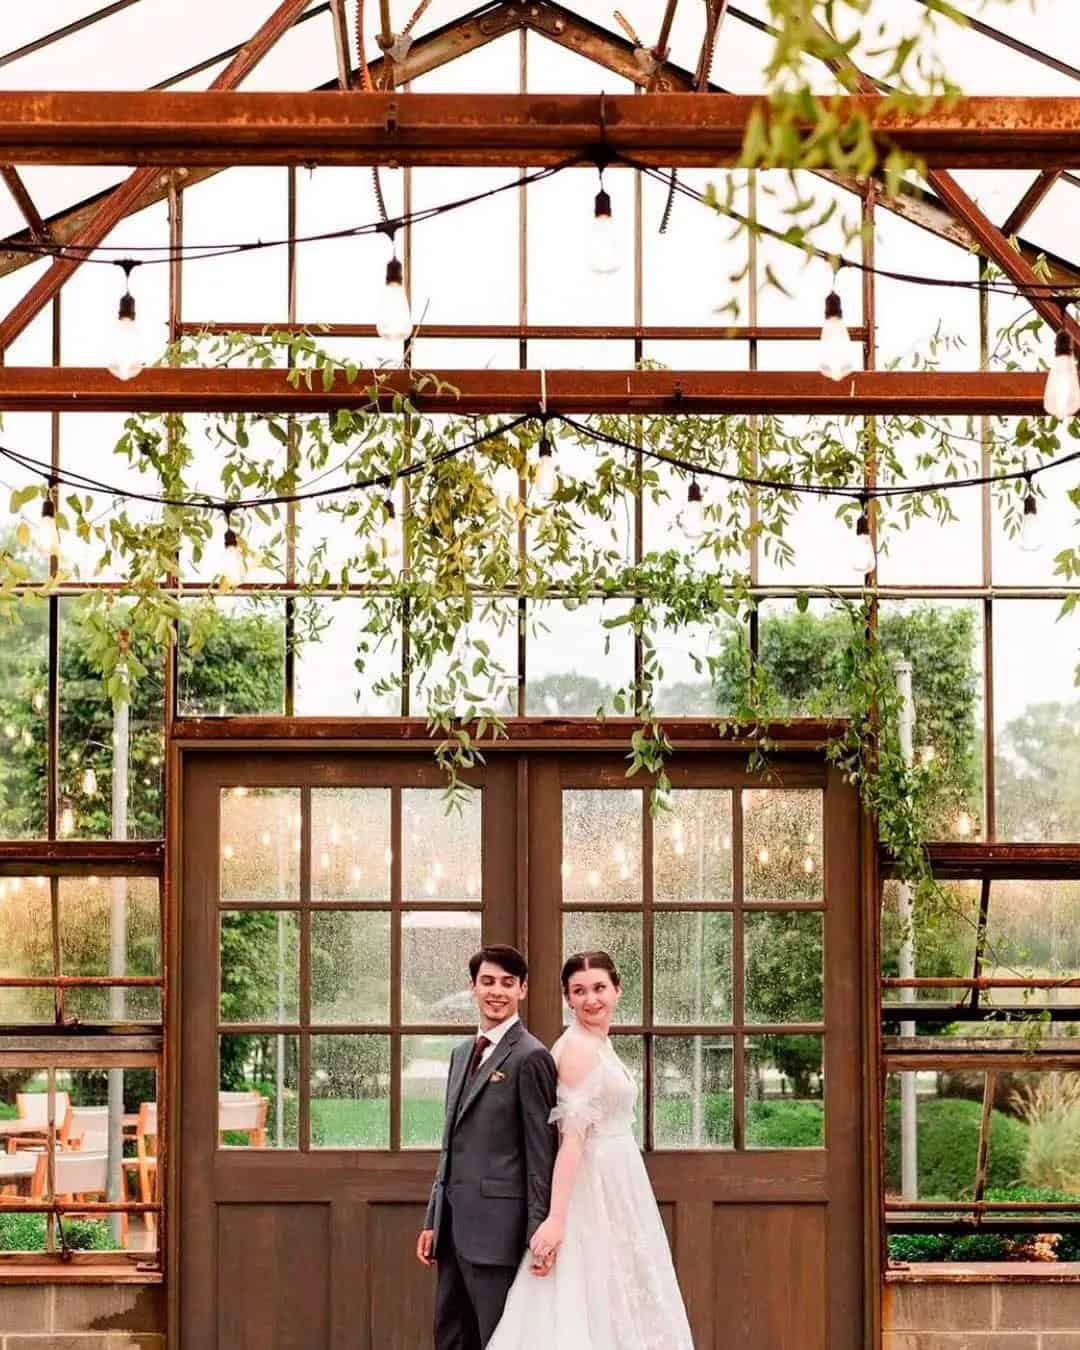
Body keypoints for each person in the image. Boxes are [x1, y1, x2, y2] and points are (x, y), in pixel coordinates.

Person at [487, 950, 696, 1349]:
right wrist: (555, 1220)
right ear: (567, 998)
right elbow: (571, 1141)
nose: (591, 999)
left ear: (617, 990)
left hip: (619, 1182)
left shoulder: (598, 1042)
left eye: (599, 988)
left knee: (622, 1293)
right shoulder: (579, 1050)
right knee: (590, 1295)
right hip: (592, 1186)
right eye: (579, 991)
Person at [417, 944, 559, 1349]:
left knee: (496, 1339)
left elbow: (540, 1154)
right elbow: (450, 1145)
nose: (497, 992)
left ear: (522, 991)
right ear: (472, 987)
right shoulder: (461, 1054)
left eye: (507, 984)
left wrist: (537, 1232)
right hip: (453, 1230)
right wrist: (433, 1219)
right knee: (449, 1337)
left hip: (499, 1234)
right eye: (488, 982)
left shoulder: (532, 1057)